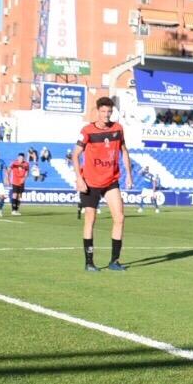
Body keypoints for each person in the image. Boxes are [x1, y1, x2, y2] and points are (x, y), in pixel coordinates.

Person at [72, 97, 133, 271]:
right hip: (90, 182)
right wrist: (78, 178)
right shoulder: (87, 131)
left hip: (111, 181)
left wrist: (129, 174)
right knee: (90, 220)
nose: (106, 115)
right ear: (97, 111)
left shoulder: (118, 129)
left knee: (119, 218)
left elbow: (124, 151)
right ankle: (89, 262)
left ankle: (114, 261)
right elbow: (75, 154)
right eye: (103, 112)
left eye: (109, 112)